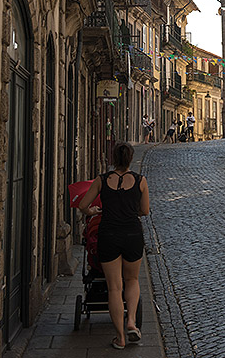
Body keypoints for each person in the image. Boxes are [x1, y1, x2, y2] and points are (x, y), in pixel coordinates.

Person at [77, 142, 150, 350]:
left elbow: (83, 205)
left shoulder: (101, 180)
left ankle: (120, 338)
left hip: (108, 235)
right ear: (130, 159)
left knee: (114, 287)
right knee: (132, 280)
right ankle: (131, 322)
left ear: (114, 159)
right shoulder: (140, 181)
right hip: (132, 235)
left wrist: (93, 212)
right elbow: (145, 211)